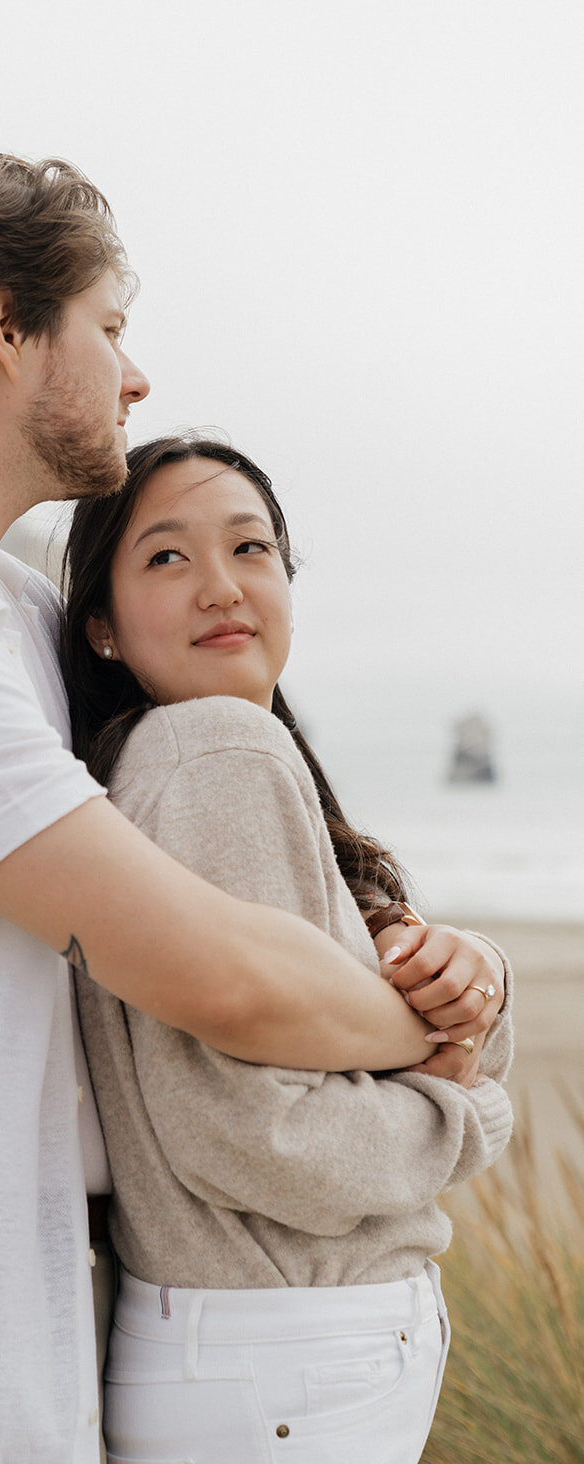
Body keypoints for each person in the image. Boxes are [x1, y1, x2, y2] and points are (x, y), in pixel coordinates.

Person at [0, 152, 504, 1464]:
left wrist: (428, 953)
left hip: (44, 1357)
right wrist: (433, 1035)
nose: (135, 377)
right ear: (3, 330)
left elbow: (225, 841)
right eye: (109, 329)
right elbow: (214, 974)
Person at [61, 434, 514, 1464]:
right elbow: (252, 1137)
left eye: (249, 548)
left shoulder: (153, 761)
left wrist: (470, 967)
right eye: (166, 558)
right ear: (100, 625)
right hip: (283, 1354)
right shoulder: (213, 748)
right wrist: (462, 1115)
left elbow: (344, 1031)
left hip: (251, 1357)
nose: (220, 586)